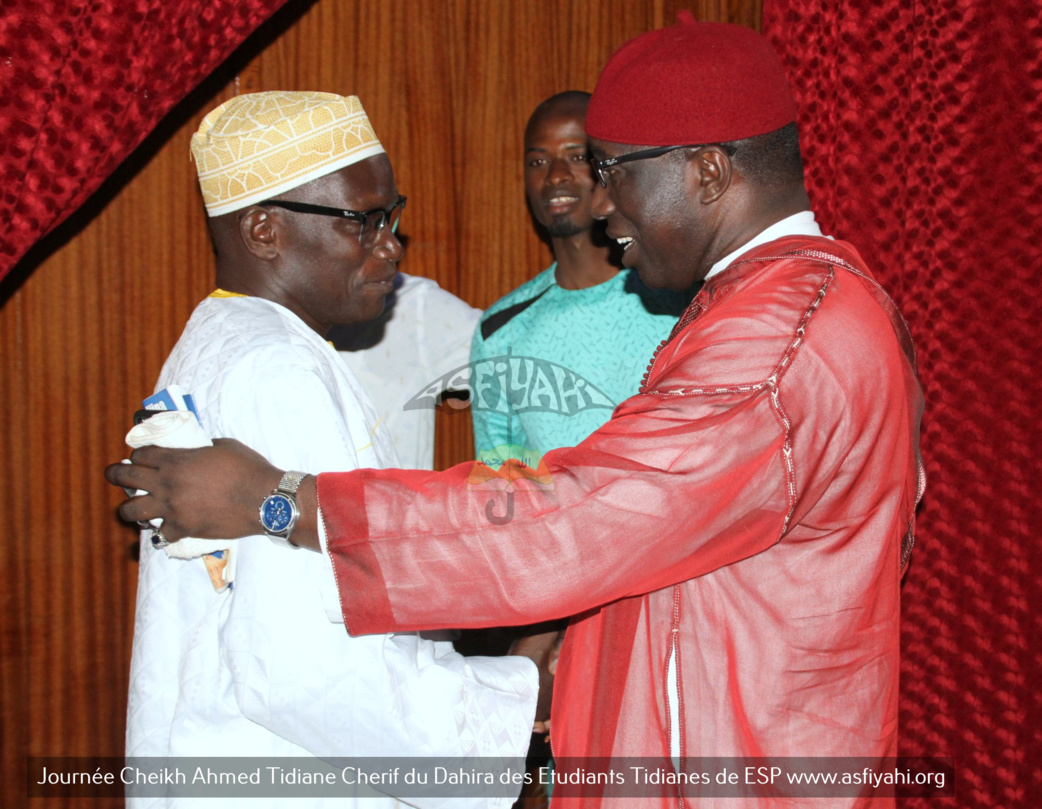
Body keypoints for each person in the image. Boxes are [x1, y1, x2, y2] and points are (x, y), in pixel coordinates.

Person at [110, 18, 925, 807]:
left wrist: (278, 499)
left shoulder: (779, 338)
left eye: (614, 171)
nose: (601, 208)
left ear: (707, 173)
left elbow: (579, 519)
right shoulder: (769, 311)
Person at [123, 91, 537, 808]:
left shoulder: (225, 338)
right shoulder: (276, 369)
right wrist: (518, 697)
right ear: (262, 229)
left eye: (392, 215)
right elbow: (308, 667)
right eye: (363, 220)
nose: (391, 244)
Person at [333, 271, 481, 471]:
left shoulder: (415, 305)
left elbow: (516, 360)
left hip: (384, 500)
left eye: (395, 237)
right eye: (361, 236)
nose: (393, 248)